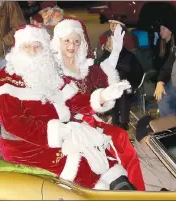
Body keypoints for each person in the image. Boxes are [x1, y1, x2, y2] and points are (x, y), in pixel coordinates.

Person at [0, 24, 143, 191]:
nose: (32, 51)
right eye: (26, 46)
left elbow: (73, 101)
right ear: (18, 49)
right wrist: (61, 132)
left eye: (36, 46)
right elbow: (15, 124)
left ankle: (123, 188)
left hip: (62, 134)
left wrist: (103, 96)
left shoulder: (48, 72)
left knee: (103, 157)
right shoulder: (5, 81)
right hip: (26, 146)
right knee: (83, 167)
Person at [50, 18, 145, 190]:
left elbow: (102, 72)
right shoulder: (54, 70)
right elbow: (72, 103)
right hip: (68, 126)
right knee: (113, 141)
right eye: (67, 41)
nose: (72, 46)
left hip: (88, 120)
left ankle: (132, 189)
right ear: (58, 42)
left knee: (121, 137)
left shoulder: (82, 66)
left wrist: (115, 52)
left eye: (76, 41)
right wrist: (101, 98)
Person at [96, 35, 144, 130]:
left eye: (111, 42)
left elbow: (136, 72)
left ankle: (123, 122)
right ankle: (115, 122)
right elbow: (99, 66)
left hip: (128, 86)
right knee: (113, 90)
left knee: (121, 91)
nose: (109, 44)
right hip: (109, 86)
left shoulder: (129, 56)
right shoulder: (106, 55)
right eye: (108, 42)